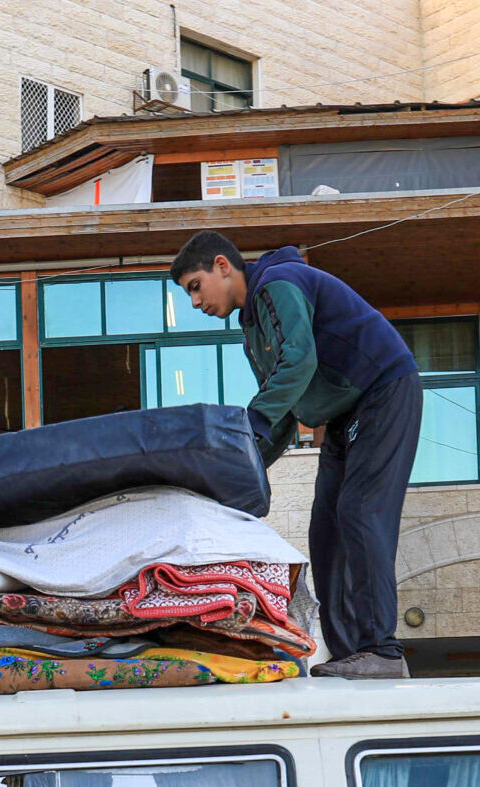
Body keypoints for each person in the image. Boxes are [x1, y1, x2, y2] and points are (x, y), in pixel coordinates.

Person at [172, 231, 422, 681]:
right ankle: (352, 657)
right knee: (325, 531)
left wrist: (249, 427)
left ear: (223, 266)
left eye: (194, 285)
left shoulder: (278, 283)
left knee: (361, 512)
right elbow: (283, 407)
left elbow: (298, 363)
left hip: (384, 391)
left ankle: (381, 651)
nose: (194, 302)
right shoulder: (253, 327)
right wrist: (239, 472)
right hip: (344, 415)